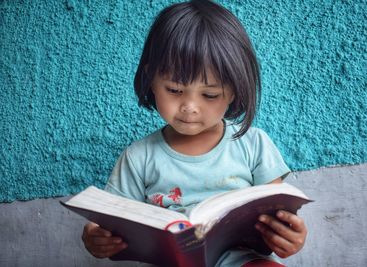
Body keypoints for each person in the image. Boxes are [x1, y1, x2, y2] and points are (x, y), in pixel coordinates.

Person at [81, 1, 307, 266]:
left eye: (210, 94)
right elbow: (107, 220)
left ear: (234, 91)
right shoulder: (137, 158)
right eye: (175, 90)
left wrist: (290, 237)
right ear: (151, 79)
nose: (190, 107)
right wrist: (94, 236)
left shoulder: (253, 144)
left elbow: (277, 217)